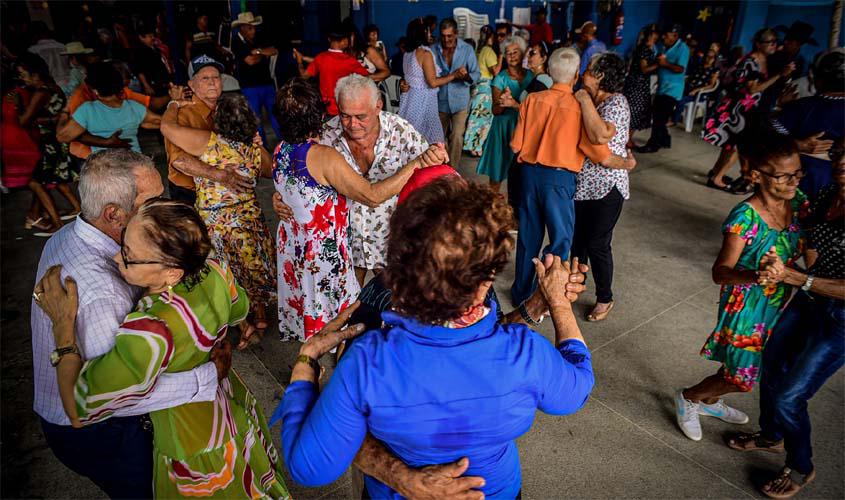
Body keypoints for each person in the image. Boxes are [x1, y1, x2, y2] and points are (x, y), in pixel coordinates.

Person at [274, 177, 594, 498]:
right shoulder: (525, 353)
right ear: (485, 282)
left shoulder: (368, 363)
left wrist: (306, 362)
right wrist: (558, 302)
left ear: (399, 272)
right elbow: (575, 390)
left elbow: (309, 468)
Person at [33, 197, 290, 498]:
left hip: (190, 439)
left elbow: (78, 406)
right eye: (123, 244)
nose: (116, 258)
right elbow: (238, 310)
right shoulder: (216, 270)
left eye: (129, 256)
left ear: (171, 273)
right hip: (229, 405)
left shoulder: (151, 328)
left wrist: (63, 328)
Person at [30, 150, 222, 498]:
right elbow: (117, 395)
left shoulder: (68, 233)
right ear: (113, 214)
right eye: (152, 202)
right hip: (105, 431)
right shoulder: (103, 292)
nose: (163, 207)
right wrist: (205, 378)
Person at [271, 78, 445, 342]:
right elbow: (300, 173)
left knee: (399, 302)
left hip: (388, 237)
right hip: (344, 244)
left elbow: (433, 168)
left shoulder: (402, 132)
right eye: (345, 115)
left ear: (378, 106)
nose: (352, 124)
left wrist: (435, 157)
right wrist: (282, 197)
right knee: (345, 314)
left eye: (361, 116)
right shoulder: (324, 136)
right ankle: (342, 354)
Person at [727, 143, 844, 499]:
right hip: (809, 301)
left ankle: (801, 465)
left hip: (839, 318)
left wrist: (796, 277)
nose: (842, 163)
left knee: (790, 396)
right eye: (839, 155)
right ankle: (771, 436)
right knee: (772, 368)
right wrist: (778, 261)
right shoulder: (827, 195)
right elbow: (810, 238)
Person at [674, 136, 808, 442]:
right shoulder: (744, 218)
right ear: (757, 176)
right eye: (784, 175)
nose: (794, 181)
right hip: (745, 304)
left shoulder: (797, 201)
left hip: (779, 300)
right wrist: (757, 275)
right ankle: (690, 397)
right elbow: (720, 273)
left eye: (798, 172)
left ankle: (709, 401)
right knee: (742, 377)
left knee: (746, 365)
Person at [509, 47, 634, 306]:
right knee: (560, 241)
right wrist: (626, 163)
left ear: (549, 71)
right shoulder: (579, 108)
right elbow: (599, 154)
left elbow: (515, 145)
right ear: (576, 74)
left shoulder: (532, 99)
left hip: (528, 176)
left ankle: (521, 293)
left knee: (528, 237)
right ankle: (548, 294)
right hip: (559, 180)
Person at [160, 93, 276, 334]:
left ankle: (241, 321)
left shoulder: (208, 142)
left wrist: (173, 104)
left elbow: (167, 128)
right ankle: (260, 312)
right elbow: (269, 170)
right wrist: (258, 145)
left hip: (215, 223)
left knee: (224, 269)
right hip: (248, 220)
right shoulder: (253, 150)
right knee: (252, 264)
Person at [571, 52, 633, 322]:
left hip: (607, 187)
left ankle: (605, 297)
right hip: (583, 185)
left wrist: (584, 98)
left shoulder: (616, 103)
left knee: (597, 243)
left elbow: (598, 137)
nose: (584, 72)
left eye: (588, 69)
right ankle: (574, 287)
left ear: (600, 76)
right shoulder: (595, 101)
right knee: (578, 241)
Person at [703, 28, 793, 192]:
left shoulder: (765, 60)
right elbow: (753, 89)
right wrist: (779, 75)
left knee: (731, 145)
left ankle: (716, 173)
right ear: (758, 44)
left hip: (748, 110)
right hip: (739, 109)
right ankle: (717, 179)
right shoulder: (750, 62)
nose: (774, 45)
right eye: (770, 42)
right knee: (738, 146)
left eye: (776, 42)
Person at [15, 54, 81, 235]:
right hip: (56, 140)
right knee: (46, 180)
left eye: (23, 74)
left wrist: (17, 104)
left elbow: (23, 120)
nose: (22, 78)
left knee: (36, 181)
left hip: (50, 143)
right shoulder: (53, 87)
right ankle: (38, 214)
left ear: (35, 74)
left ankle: (56, 223)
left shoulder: (41, 93)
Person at [771, 49, 844, 201]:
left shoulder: (801, 106)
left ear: (818, 79)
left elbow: (767, 138)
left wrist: (779, 109)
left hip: (797, 179)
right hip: (838, 185)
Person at [162, 55, 227, 206]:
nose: (212, 82)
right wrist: (223, 176)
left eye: (216, 77)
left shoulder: (225, 110)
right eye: (204, 78)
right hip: (190, 192)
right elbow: (180, 161)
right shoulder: (181, 114)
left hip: (220, 190)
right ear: (191, 85)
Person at [58, 62, 161, 155]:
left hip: (106, 166)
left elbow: (62, 136)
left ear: (95, 90)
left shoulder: (87, 110)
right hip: (134, 162)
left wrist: (64, 112)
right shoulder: (133, 107)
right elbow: (159, 122)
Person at [476, 36, 533, 193]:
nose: (512, 56)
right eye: (508, 53)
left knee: (523, 175)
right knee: (496, 174)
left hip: (524, 126)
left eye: (516, 52)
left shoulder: (531, 76)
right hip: (503, 128)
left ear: (523, 53)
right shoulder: (500, 78)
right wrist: (503, 101)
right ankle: (492, 205)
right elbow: (495, 110)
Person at [398, 17, 467, 144]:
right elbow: (432, 82)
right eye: (429, 31)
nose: (431, 34)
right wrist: (454, 75)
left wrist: (403, 84)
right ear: (423, 33)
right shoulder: (425, 54)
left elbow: (409, 78)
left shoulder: (407, 54)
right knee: (433, 143)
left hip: (409, 103)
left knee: (411, 141)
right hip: (423, 104)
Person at [433, 17, 479, 167]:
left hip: (460, 102)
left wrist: (465, 76)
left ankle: (452, 171)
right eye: (443, 36)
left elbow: (476, 74)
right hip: (439, 101)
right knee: (438, 139)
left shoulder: (467, 49)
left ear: (456, 33)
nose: (446, 40)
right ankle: (440, 169)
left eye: (450, 36)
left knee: (457, 137)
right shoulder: (433, 50)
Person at [636, 24, 689, 154]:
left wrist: (665, 64)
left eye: (666, 35)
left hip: (673, 89)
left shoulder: (683, 48)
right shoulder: (665, 46)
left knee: (659, 117)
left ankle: (653, 144)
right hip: (662, 87)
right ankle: (665, 139)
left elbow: (680, 69)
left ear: (675, 35)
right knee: (659, 115)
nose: (663, 37)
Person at [296, 24, 368, 117]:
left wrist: (299, 62)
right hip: (345, 108)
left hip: (325, 109)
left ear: (329, 39)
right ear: (344, 42)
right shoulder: (350, 61)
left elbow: (303, 76)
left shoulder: (320, 58)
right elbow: (367, 77)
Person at [231, 11, 280, 144]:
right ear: (242, 28)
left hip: (267, 83)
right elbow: (250, 61)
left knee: (276, 115)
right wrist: (263, 54)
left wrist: (258, 51)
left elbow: (274, 50)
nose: (253, 30)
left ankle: (285, 144)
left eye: (253, 27)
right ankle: (262, 148)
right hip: (249, 86)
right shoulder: (236, 41)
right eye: (250, 28)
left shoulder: (259, 37)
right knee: (255, 119)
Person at [463, 25, 499, 157]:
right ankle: (476, 147)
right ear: (492, 37)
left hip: (476, 88)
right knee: (483, 119)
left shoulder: (478, 50)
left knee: (475, 117)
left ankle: (472, 145)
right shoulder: (488, 51)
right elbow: (495, 71)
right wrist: (501, 57)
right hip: (484, 90)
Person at [623, 25, 659, 145]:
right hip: (638, 86)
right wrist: (659, 64)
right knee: (636, 111)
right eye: (653, 38)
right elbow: (644, 69)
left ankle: (627, 138)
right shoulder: (645, 50)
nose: (654, 41)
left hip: (635, 84)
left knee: (633, 111)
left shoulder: (640, 49)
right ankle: (627, 139)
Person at [672, 44, 720, 124]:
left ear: (714, 59)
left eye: (711, 57)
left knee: (681, 100)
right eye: (707, 56)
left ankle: (674, 121)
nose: (709, 59)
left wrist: (696, 90)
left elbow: (711, 85)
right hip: (689, 88)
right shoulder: (699, 66)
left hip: (699, 93)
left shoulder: (715, 70)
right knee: (672, 95)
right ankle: (668, 116)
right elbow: (691, 77)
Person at [133, 23, 172, 97]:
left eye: (153, 36)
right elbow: (139, 71)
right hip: (153, 85)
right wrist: (147, 86)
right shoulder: (139, 52)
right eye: (150, 36)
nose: (153, 38)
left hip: (163, 83)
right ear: (141, 38)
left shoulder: (154, 48)